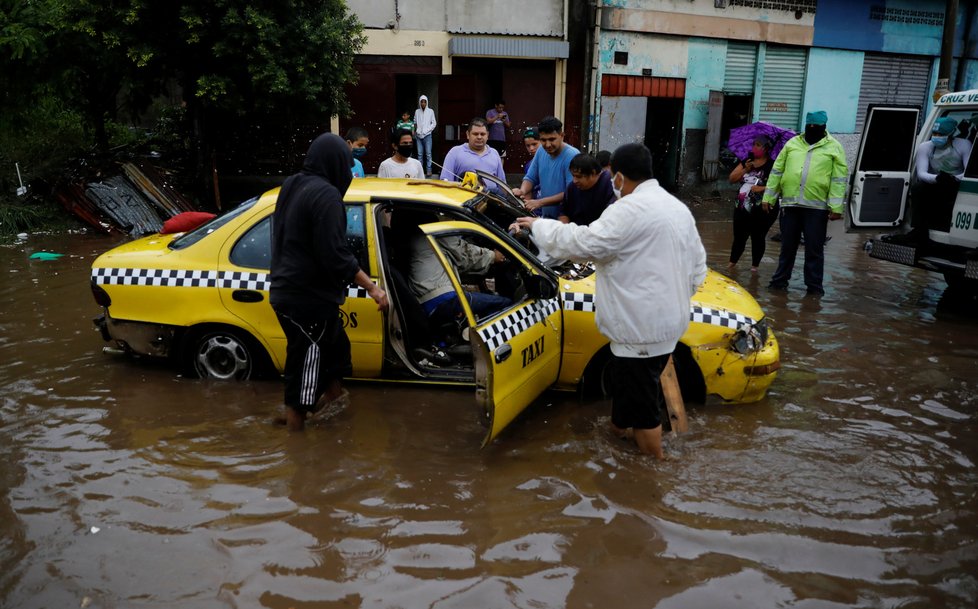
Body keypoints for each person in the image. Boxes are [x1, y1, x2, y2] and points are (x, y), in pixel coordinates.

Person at [513, 143, 707, 459]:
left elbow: (583, 243)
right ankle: (617, 433)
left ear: (617, 176)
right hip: (666, 323)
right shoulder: (676, 208)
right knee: (629, 388)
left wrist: (538, 225)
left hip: (639, 329)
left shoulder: (627, 210)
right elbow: (698, 267)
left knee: (643, 406)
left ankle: (651, 473)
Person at [270, 133, 389, 431]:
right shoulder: (327, 196)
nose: (348, 173)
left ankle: (334, 401)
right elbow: (335, 255)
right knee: (305, 366)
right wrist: (373, 288)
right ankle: (296, 440)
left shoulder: (292, 184)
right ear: (334, 163)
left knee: (335, 349)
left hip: (291, 289)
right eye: (346, 166)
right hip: (306, 298)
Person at [762, 110, 847, 297]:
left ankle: (814, 288)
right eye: (809, 126)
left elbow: (838, 179)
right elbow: (777, 171)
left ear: (824, 127)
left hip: (816, 208)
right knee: (787, 247)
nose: (812, 129)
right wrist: (768, 198)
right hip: (790, 205)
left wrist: (836, 208)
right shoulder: (792, 144)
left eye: (816, 127)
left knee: (814, 250)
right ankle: (779, 282)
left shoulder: (834, 147)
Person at [727, 135, 778, 273]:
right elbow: (732, 178)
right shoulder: (747, 161)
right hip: (741, 207)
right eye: (753, 144)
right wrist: (745, 169)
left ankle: (754, 268)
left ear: (766, 148)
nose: (753, 147)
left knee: (758, 237)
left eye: (757, 145)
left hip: (763, 209)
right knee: (739, 237)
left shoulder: (773, 165)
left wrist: (762, 188)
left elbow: (781, 186)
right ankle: (731, 265)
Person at [912, 116, 971, 234]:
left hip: (956, 183)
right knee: (918, 188)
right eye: (934, 133)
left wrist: (953, 178)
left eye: (941, 134)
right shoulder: (925, 146)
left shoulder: (963, 145)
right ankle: (919, 230)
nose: (936, 137)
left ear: (951, 134)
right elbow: (921, 173)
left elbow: (968, 171)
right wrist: (937, 178)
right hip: (935, 182)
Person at [512, 116, 580, 219]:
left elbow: (571, 192)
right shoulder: (541, 151)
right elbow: (530, 178)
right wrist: (522, 191)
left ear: (562, 136)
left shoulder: (572, 156)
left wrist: (540, 202)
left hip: (567, 221)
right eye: (543, 140)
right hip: (547, 218)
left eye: (552, 139)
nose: (547, 145)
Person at [438, 117, 506, 183]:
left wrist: (512, 192)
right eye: (475, 134)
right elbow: (445, 182)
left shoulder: (494, 153)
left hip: (492, 194)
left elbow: (502, 184)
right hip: (465, 194)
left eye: (482, 134)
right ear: (468, 134)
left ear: (487, 135)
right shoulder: (455, 152)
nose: (479, 137)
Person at [559, 153, 615, 226]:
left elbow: (612, 216)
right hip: (576, 233)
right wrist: (565, 229)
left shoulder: (610, 183)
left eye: (579, 177)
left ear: (593, 173)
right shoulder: (572, 187)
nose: (574, 180)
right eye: (573, 176)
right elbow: (564, 212)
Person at [414, 95, 437, 176]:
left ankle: (429, 170)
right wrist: (416, 131)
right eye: (422, 101)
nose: (423, 103)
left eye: (424, 102)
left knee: (428, 154)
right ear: (420, 102)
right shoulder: (417, 111)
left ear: (427, 102)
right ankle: (420, 172)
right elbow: (415, 122)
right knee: (420, 154)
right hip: (418, 136)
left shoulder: (431, 111)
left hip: (427, 136)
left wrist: (426, 130)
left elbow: (434, 123)